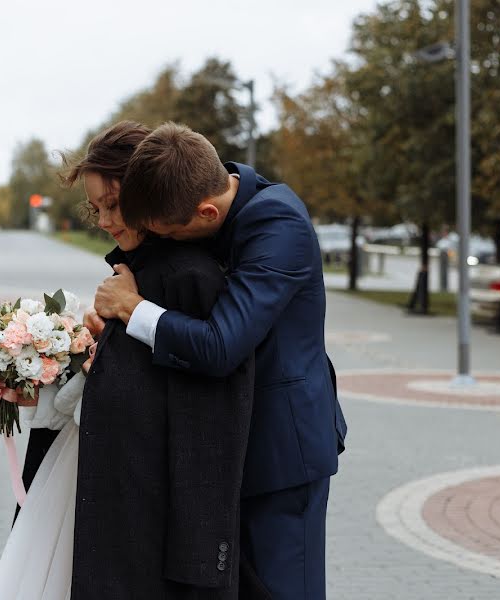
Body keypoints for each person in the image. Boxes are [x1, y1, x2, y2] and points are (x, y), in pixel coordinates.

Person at [0, 121, 269, 600]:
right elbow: (121, 384)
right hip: (106, 492)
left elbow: (211, 422)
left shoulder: (187, 278)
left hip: (148, 522)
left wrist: (199, 553)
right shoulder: (133, 274)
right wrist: (44, 381)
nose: (106, 220)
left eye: (114, 205)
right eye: (96, 209)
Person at [93, 122, 348, 600]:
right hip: (228, 444)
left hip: (281, 454)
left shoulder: (280, 228)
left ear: (207, 211)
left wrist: (132, 306)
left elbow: (220, 345)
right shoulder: (199, 197)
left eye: (168, 233)